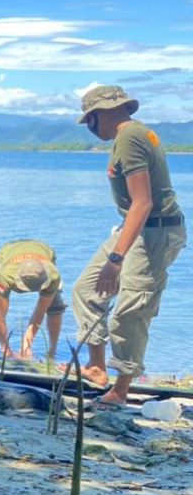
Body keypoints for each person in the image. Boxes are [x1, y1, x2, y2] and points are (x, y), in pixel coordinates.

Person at [69, 85, 185, 406]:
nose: (91, 129)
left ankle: (120, 390)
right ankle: (96, 367)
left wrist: (116, 258)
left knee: (131, 310)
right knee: (87, 289)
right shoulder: (132, 135)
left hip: (153, 232)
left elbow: (143, 203)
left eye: (90, 120)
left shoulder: (131, 138)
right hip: (137, 227)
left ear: (101, 113)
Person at [0, 239, 65, 360]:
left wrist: (26, 346)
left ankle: (52, 353)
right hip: (8, 252)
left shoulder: (52, 276)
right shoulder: (6, 275)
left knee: (55, 305)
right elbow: (0, 316)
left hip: (44, 251)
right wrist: (6, 349)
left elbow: (40, 311)